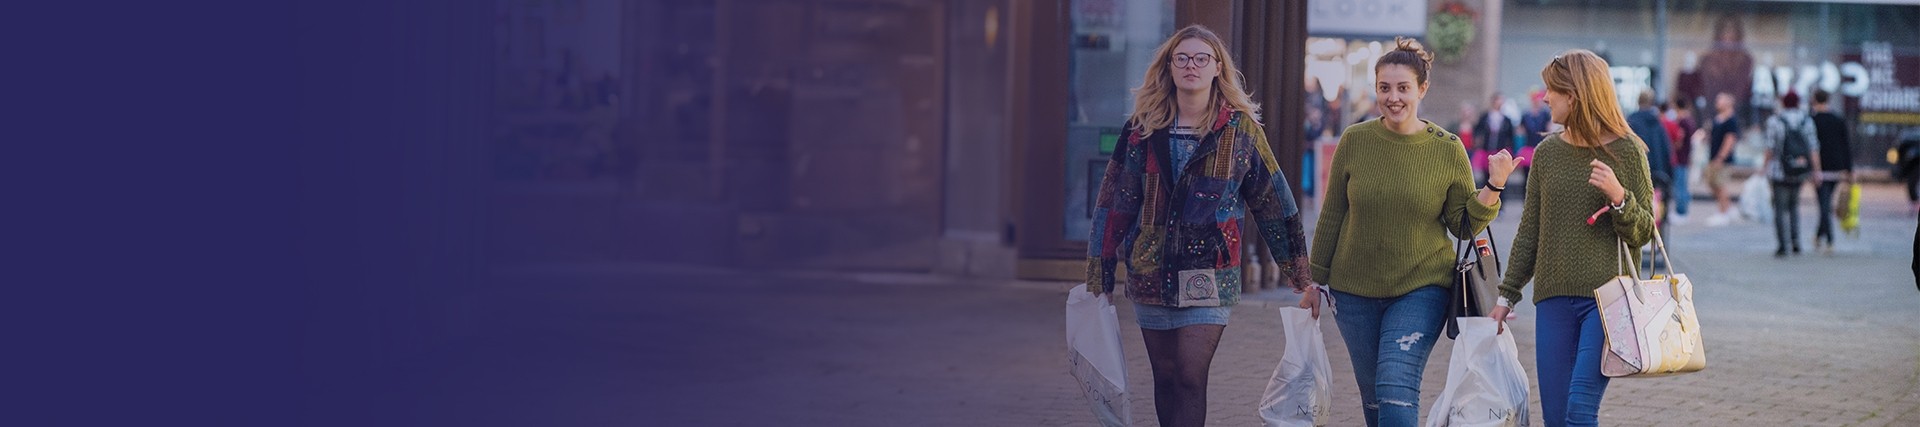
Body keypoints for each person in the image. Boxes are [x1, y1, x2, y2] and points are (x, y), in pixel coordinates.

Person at [1084, 24, 1312, 427]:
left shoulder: (1240, 131)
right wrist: (1099, 270)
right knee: (1166, 377)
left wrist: (1299, 272)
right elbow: (1115, 200)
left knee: (1190, 377)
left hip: (1211, 272)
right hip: (1150, 269)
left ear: (1217, 68)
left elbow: (1273, 201)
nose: (1192, 65)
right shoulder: (1142, 129)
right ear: (1169, 68)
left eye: (1201, 58)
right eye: (1182, 58)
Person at [1306, 37, 1516, 427]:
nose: (1393, 97)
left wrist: (1494, 186)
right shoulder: (1355, 140)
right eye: (1385, 88)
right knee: (1374, 401)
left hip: (1422, 287)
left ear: (1422, 89)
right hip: (1353, 290)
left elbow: (1460, 224)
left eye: (1403, 88)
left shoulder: (1447, 148)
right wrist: (1313, 282)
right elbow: (1332, 213)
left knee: (1396, 389)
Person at [1490, 49, 1656, 427]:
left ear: (1575, 95)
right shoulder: (1547, 153)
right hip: (1553, 301)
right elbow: (1530, 230)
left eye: (1552, 90)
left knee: (1579, 411)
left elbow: (1644, 232)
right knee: (1555, 418)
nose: (1545, 97)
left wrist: (1619, 197)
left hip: (1608, 302)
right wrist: (1506, 295)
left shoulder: (1628, 151)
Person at [1763, 91, 1823, 257]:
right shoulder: (1807, 121)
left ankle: (1783, 244)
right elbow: (1813, 147)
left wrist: (1763, 168)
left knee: (1780, 209)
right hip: (1799, 171)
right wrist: (1816, 171)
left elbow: (1769, 147)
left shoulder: (1775, 121)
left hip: (1779, 171)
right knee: (1794, 206)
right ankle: (1796, 241)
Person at [1809, 90, 1853, 254]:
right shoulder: (1838, 120)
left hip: (1819, 167)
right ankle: (1818, 235)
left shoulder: (1811, 120)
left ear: (1814, 100)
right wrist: (1849, 169)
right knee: (1825, 204)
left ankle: (1829, 240)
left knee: (1824, 204)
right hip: (1836, 167)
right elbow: (1845, 145)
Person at [1628, 92, 1675, 232]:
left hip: (1636, 172)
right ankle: (1655, 232)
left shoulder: (1631, 121)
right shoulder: (1659, 123)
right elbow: (1667, 150)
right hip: (1658, 171)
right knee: (1656, 202)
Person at [1706, 92, 1742, 226]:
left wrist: (1721, 156)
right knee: (1713, 183)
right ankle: (1728, 208)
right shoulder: (1718, 118)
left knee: (1720, 185)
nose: (1717, 102)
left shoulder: (1731, 120)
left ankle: (1723, 212)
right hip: (1713, 156)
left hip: (1722, 159)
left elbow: (1730, 139)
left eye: (1720, 100)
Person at [1667, 99, 1701, 222]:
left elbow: (1679, 141)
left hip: (1680, 158)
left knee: (1679, 186)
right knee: (1683, 185)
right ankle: (1683, 211)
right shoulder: (1690, 120)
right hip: (1685, 157)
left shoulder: (1682, 122)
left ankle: (1681, 212)